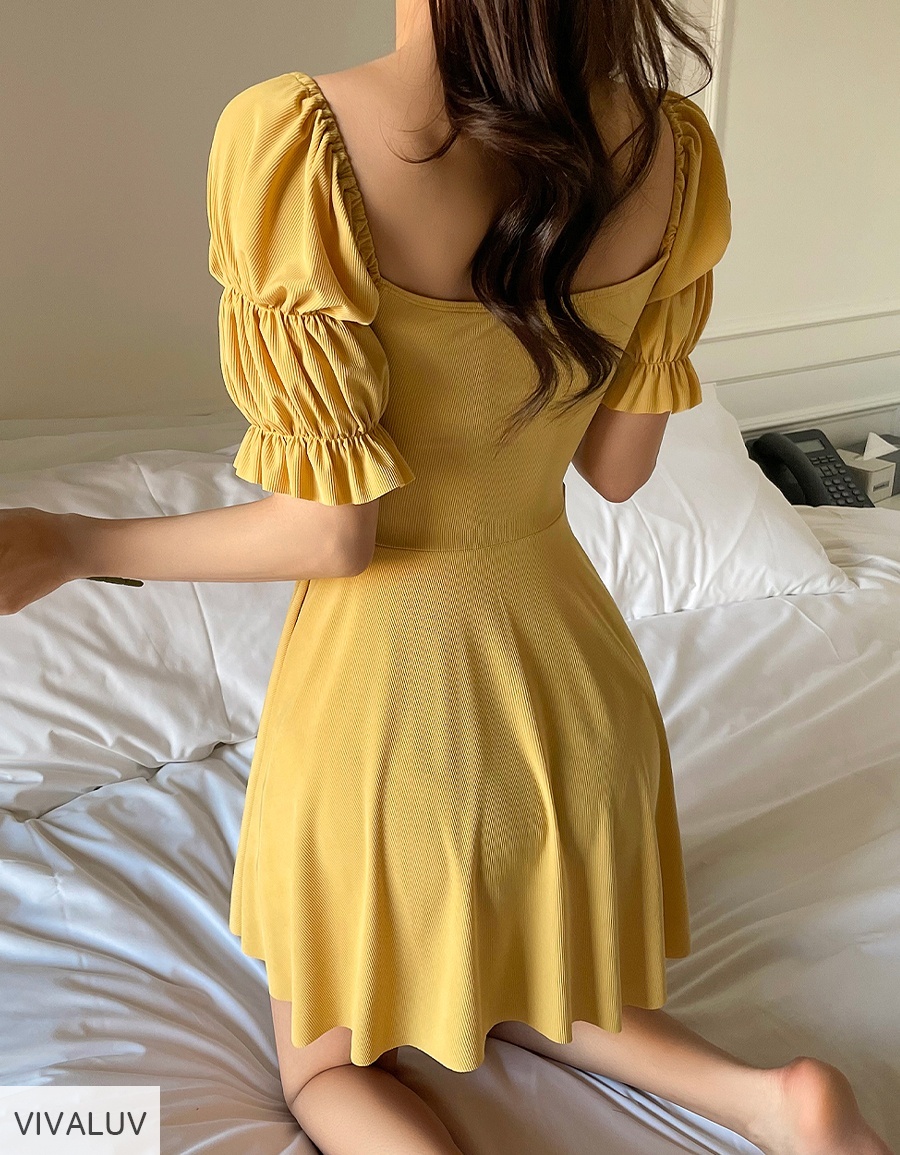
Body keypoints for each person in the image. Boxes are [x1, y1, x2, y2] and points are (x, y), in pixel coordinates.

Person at [1, 1, 893, 1154]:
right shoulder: (670, 148)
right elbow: (619, 472)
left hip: (390, 705)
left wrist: (72, 546)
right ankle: (773, 1102)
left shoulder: (304, 138)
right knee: (521, 978)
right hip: (577, 695)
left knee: (326, 1065)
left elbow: (330, 535)